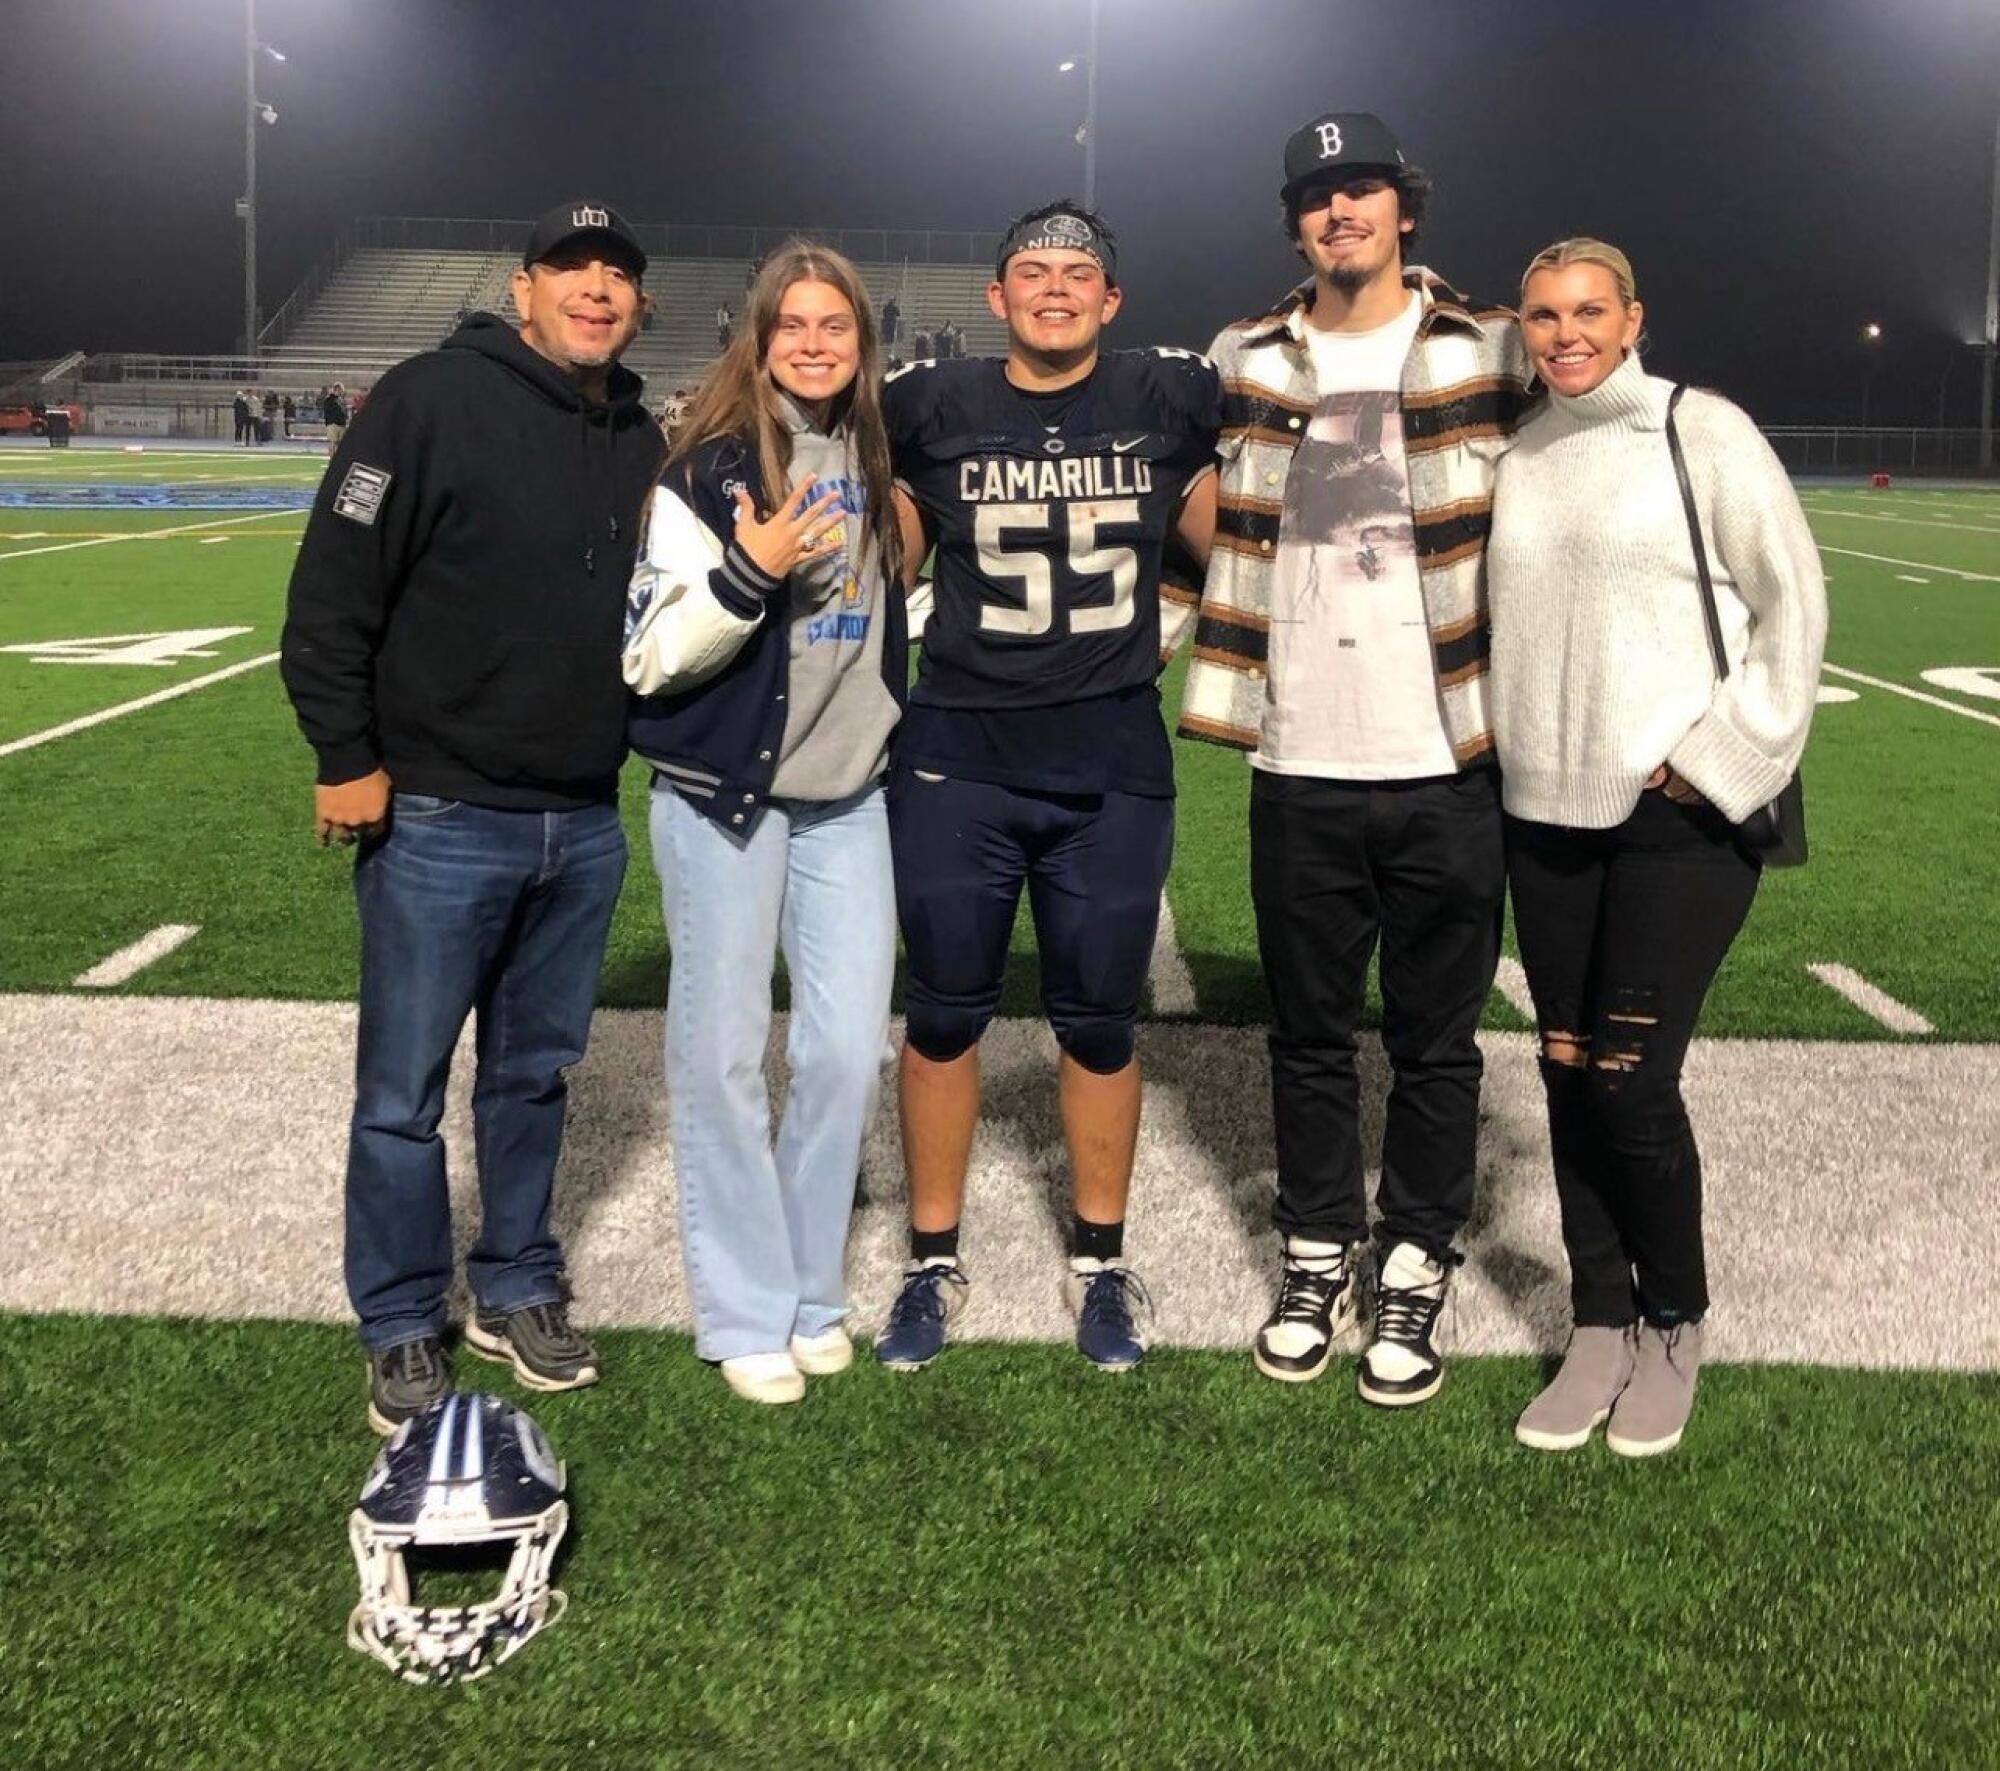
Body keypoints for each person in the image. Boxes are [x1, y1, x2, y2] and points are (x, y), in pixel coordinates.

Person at [280, 200, 662, 1435]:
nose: (596, 289)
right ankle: (399, 1316)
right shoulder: (428, 396)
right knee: (402, 1091)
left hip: (581, 816)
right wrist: (346, 752)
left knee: (534, 1076)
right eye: (572, 270)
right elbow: (334, 584)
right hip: (440, 808)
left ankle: (512, 1282)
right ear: (523, 287)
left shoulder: (637, 428)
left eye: (615, 275)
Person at [1176, 112, 1532, 1405]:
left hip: (1450, 751)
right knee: (1310, 1035)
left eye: (1363, 190)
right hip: (1300, 751)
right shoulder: (1242, 352)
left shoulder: (1489, 344)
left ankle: (1417, 1259)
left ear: (1406, 209)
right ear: (1296, 221)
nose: (1341, 212)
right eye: (1318, 195)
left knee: (1438, 1044)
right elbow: (1199, 514)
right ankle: (1317, 1247)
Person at [1488, 239, 1825, 1457]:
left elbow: (1792, 604)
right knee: (1564, 1072)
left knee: (1631, 1083)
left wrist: (1722, 757)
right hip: (1542, 812)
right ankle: (1595, 1320)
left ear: (1632, 318)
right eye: (1541, 314)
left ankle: (1672, 1319)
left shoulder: (1702, 430)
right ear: (1517, 327)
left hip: (1674, 819)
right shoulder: (1517, 452)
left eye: (1588, 311)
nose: (1565, 332)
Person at [875, 201, 1220, 1374]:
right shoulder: (927, 403)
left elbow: (1253, 533)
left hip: (1110, 758)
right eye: (1031, 270)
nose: (1055, 287)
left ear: (1111, 301)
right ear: (996, 296)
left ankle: (1098, 1258)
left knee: (1098, 1020)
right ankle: (930, 1259)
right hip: (956, 754)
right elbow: (877, 530)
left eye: (1079, 273)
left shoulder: (1168, 399)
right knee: (941, 1013)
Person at [624, 242, 906, 1406]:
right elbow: (646, 660)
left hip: (848, 796)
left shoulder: (881, 454)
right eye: (791, 323)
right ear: (758, 334)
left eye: (832, 325)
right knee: (725, 1053)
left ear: (861, 341)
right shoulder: (703, 467)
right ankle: (745, 1309)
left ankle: (809, 1291)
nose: (812, 342)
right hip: (721, 796)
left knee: (845, 1051)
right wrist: (749, 570)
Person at [321, 382, 349, 457]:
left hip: (341, 424)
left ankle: (337, 458)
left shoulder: (341, 400)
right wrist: (331, 421)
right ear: (337, 389)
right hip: (333, 424)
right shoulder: (329, 399)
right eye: (341, 390)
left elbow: (344, 411)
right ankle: (332, 458)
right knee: (333, 442)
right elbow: (329, 412)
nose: (342, 392)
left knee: (339, 444)